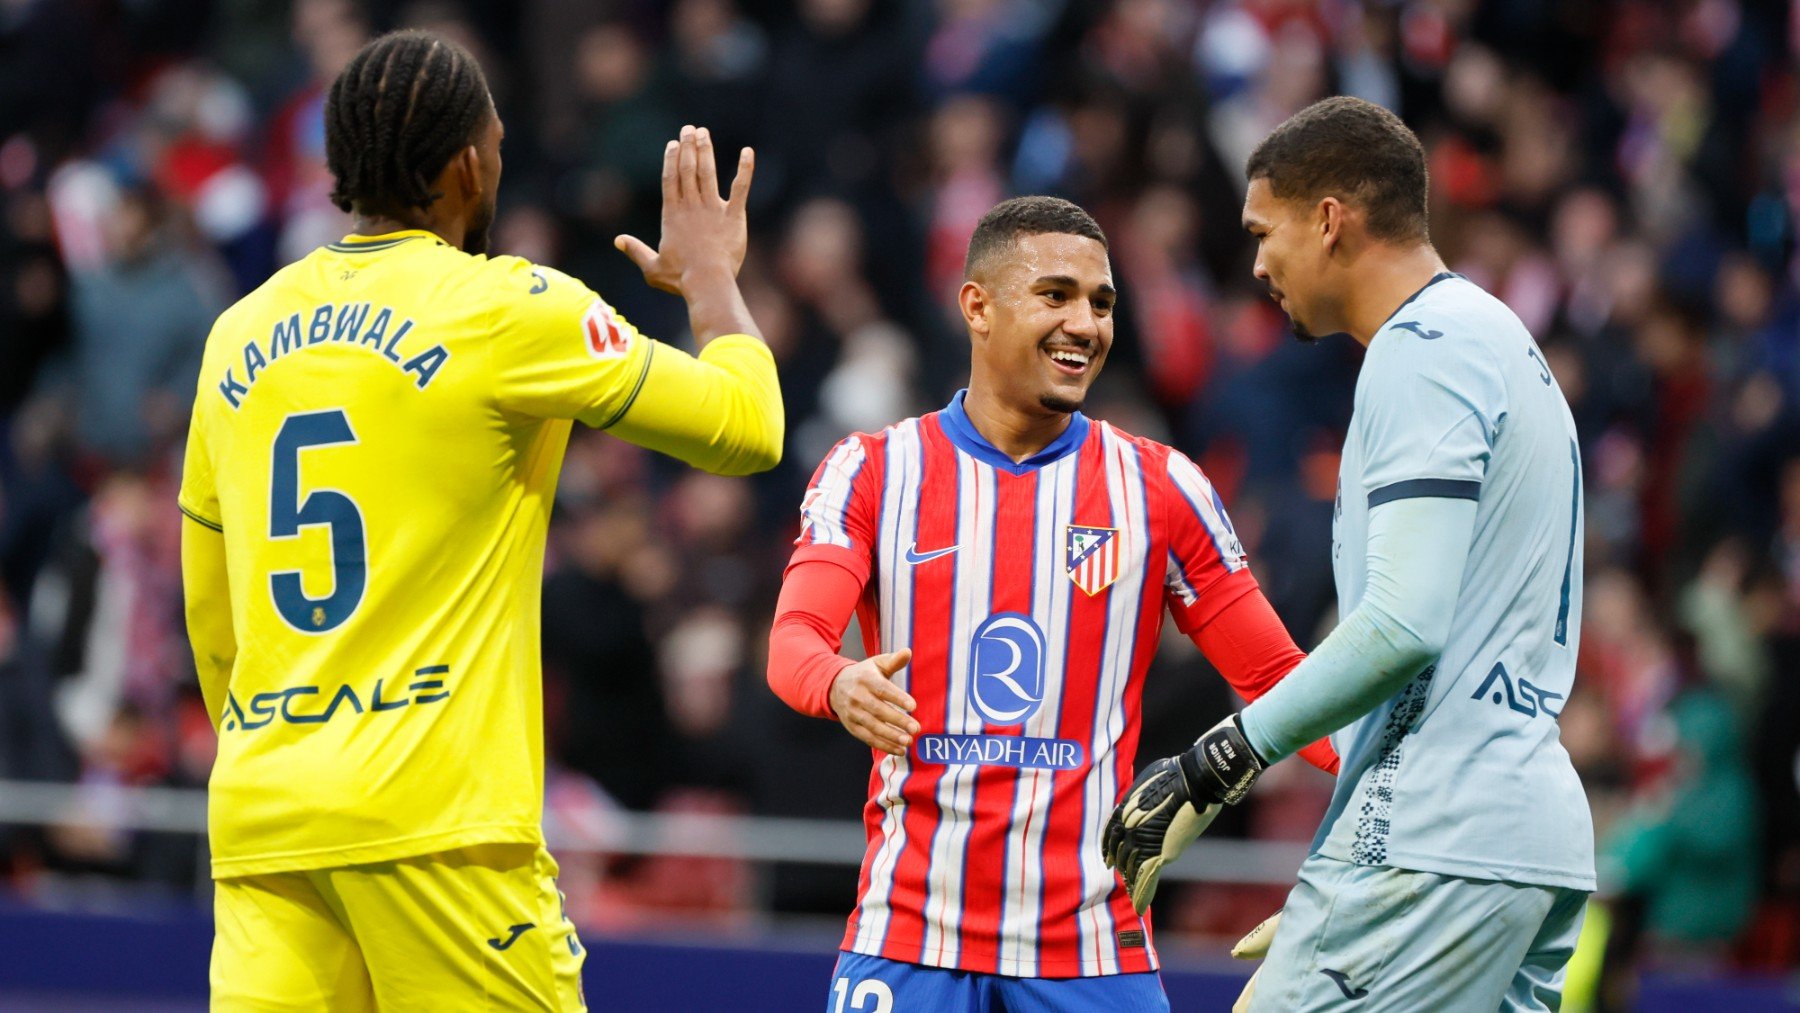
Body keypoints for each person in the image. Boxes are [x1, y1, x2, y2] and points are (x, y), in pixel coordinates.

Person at [178, 30, 782, 1011]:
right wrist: (711, 279)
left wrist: (278, 747)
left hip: (266, 820)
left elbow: (212, 613)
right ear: (468, 162)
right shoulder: (505, 308)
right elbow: (746, 429)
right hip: (439, 828)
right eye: (497, 140)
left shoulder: (237, 333)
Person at [766, 195, 1336, 1011]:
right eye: (1057, 295)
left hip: (1091, 949)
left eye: (1102, 303)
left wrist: (1397, 799)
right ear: (978, 306)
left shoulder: (1161, 487)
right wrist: (837, 681)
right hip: (909, 939)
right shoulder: (873, 471)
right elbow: (793, 641)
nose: (1087, 324)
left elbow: (1281, 675)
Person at [1106, 96, 1594, 1011]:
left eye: (1264, 231)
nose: (1256, 264)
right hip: (1517, 838)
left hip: (1434, 839)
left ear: (1329, 221)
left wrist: (1215, 764)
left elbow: (1405, 623)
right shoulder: (1498, 340)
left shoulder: (1424, 352)